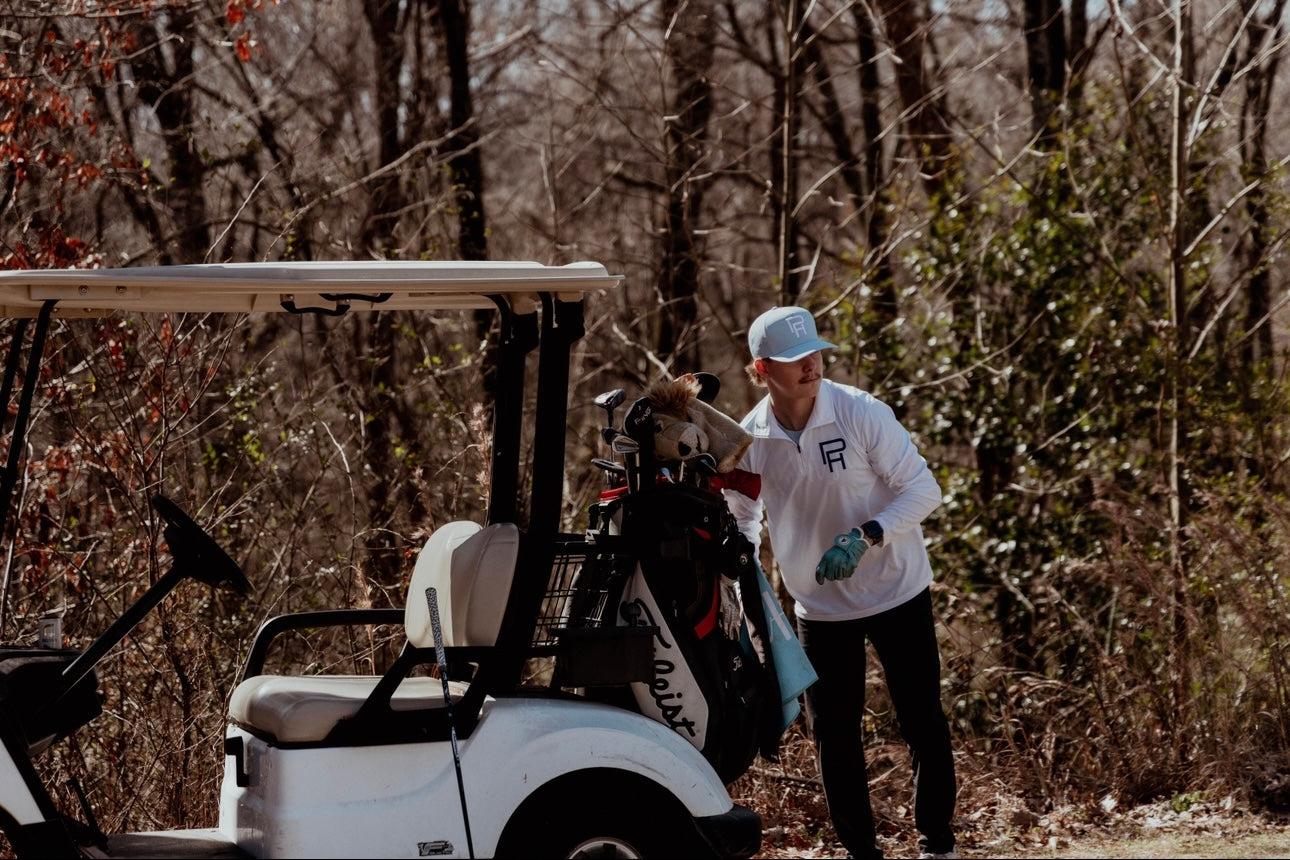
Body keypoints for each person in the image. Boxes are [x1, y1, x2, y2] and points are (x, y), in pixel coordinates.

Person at [721, 305, 958, 860]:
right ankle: (861, 853)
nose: (810, 365)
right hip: (819, 610)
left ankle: (937, 845)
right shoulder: (750, 439)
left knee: (921, 717)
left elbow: (924, 490)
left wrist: (867, 534)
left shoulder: (860, 412)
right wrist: (741, 577)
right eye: (792, 359)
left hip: (897, 589)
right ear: (761, 369)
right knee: (834, 735)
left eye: (815, 352)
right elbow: (743, 518)